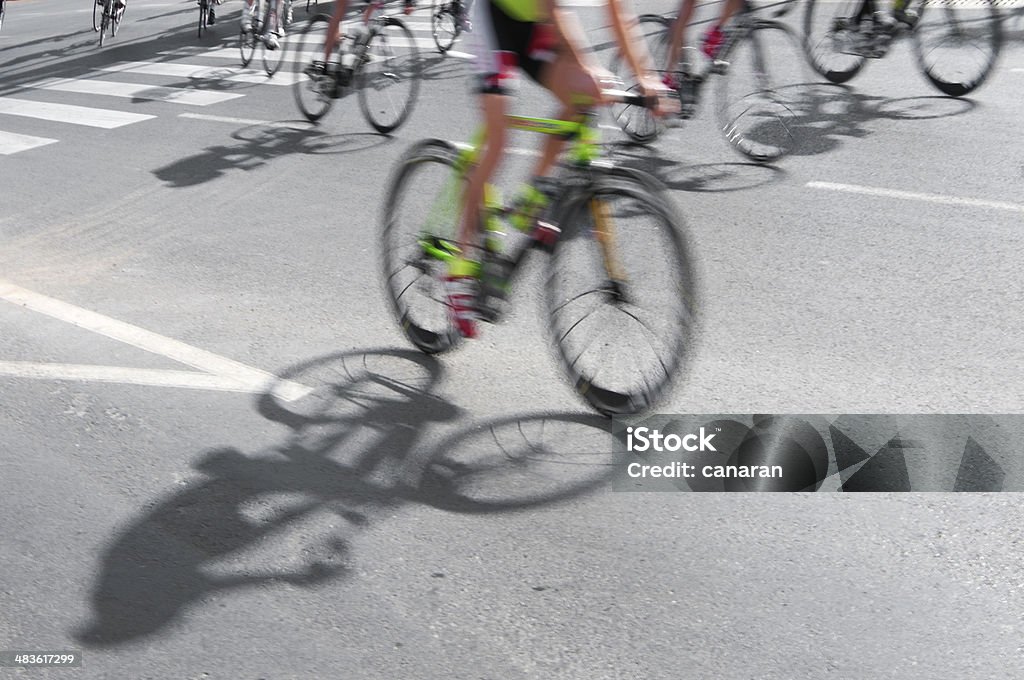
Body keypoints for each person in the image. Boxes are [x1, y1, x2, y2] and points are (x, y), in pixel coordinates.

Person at [445, 0, 670, 339]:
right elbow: (554, 10)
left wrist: (645, 77)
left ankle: (532, 194)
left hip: (534, 27)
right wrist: (589, 67)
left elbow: (617, 11)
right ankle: (459, 271)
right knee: (497, 142)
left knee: (582, 99)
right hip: (494, 19)